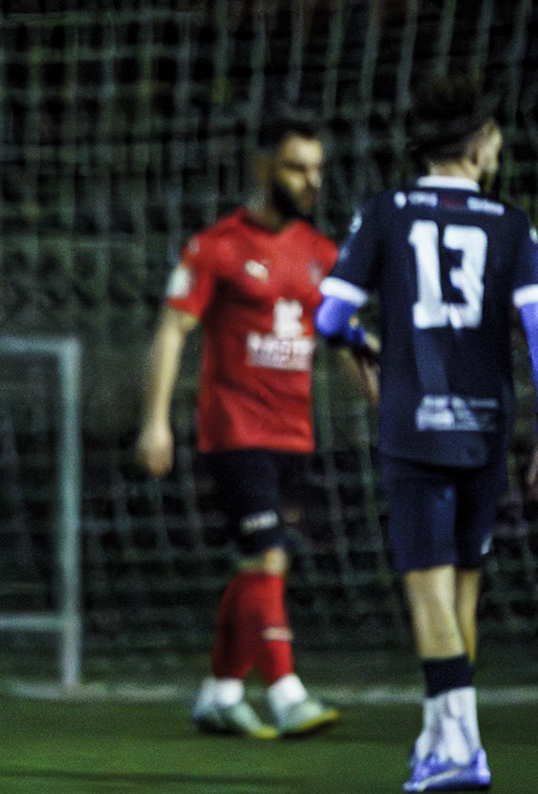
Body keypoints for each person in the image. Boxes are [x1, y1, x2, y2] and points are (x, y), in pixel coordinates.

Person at [314, 78, 538, 793]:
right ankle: (438, 734)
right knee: (462, 591)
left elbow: (328, 317)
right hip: (487, 426)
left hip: (416, 425)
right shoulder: (511, 223)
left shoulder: (387, 212)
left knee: (428, 591)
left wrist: (363, 345)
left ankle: (461, 747)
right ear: (479, 143)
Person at [138, 113, 372, 739]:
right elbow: (172, 330)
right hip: (235, 432)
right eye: (297, 167)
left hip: (294, 435)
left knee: (264, 568)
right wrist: (156, 422)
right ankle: (288, 693)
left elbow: (348, 340)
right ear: (263, 167)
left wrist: (390, 394)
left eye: (318, 169)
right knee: (267, 555)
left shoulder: (322, 254)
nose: (312, 180)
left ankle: (221, 692)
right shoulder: (216, 247)